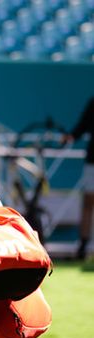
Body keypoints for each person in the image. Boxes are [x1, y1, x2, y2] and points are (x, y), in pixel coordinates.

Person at [63, 97, 94, 260]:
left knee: (88, 203)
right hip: (93, 160)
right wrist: (71, 136)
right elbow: (83, 124)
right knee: (88, 202)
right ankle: (83, 245)